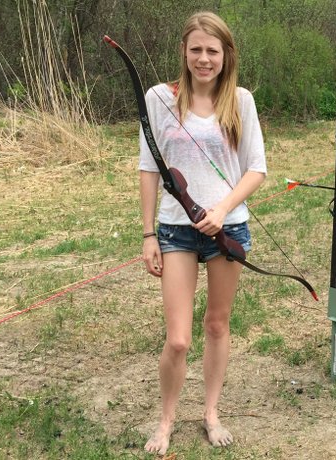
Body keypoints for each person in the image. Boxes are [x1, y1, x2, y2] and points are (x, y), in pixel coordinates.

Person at [137, 11, 266, 455]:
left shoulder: (241, 101)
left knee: (216, 325)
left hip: (225, 231)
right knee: (178, 338)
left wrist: (222, 209)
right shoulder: (159, 98)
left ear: (226, 54)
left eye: (213, 51)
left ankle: (211, 413)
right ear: (184, 52)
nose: (204, 59)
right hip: (175, 229)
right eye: (196, 50)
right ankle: (167, 419)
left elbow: (256, 169)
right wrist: (148, 234)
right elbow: (149, 166)